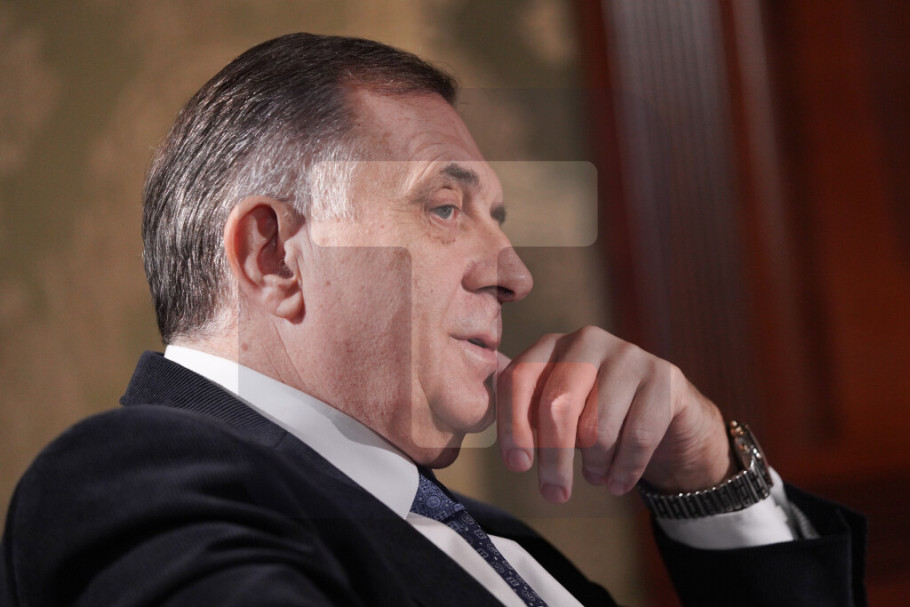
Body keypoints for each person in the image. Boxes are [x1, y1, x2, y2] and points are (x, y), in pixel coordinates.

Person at [0, 33, 865, 606]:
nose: (516, 274)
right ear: (273, 255)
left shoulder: (489, 539)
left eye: (498, 218)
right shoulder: (129, 479)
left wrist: (707, 475)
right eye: (445, 207)